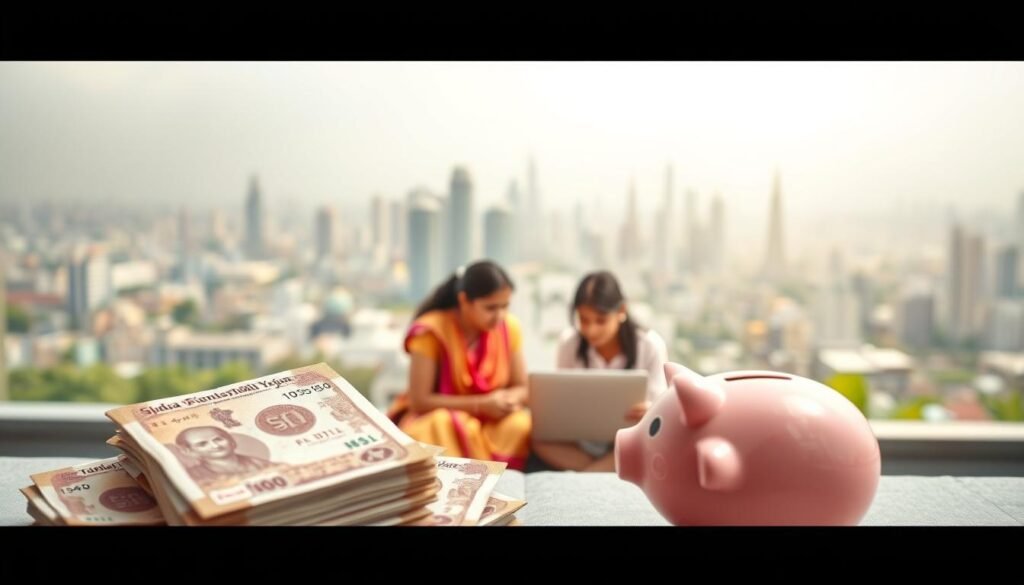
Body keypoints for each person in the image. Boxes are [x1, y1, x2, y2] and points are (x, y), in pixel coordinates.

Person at [387, 260, 531, 470]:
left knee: (519, 424)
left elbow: (522, 386)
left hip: (491, 420)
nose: (499, 316)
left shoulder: (509, 328)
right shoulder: (431, 331)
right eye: (490, 308)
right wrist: (481, 404)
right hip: (441, 418)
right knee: (442, 424)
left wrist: (508, 399)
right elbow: (419, 401)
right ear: (464, 300)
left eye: (505, 306)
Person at [530, 270, 668, 472]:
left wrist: (649, 409)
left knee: (648, 443)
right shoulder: (570, 343)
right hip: (581, 441)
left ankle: (588, 473)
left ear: (621, 311)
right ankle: (603, 470)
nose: (591, 330)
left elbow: (659, 409)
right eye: (584, 320)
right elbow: (562, 401)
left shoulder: (649, 345)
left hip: (630, 438)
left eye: (600, 320)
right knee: (537, 439)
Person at [174, 426, 276, 484]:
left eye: (218, 439)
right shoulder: (192, 476)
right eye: (202, 444)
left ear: (231, 441)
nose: (215, 446)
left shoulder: (260, 463)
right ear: (189, 451)